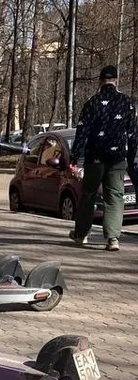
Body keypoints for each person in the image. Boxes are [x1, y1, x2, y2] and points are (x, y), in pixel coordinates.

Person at [68, 64, 137, 250]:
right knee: (115, 196)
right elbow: (132, 134)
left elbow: (82, 131)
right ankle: (113, 238)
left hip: (94, 157)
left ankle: (82, 234)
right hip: (117, 157)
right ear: (116, 81)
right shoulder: (127, 103)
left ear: (100, 81)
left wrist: (74, 158)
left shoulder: (92, 102)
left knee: (89, 194)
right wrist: (131, 159)